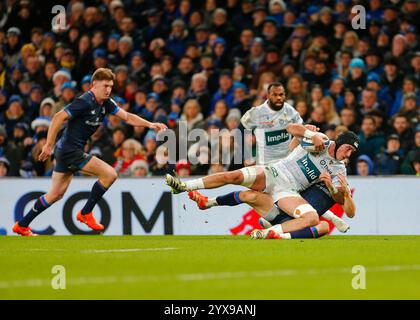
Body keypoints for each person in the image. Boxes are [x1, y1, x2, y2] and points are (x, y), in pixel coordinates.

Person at [12, 68, 167, 236]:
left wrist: (150, 125)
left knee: (55, 194)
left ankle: (22, 224)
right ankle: (85, 213)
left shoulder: (106, 102)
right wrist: (49, 144)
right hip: (69, 151)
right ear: (94, 85)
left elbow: (128, 117)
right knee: (109, 174)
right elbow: (58, 117)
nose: (108, 89)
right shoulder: (85, 101)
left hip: (66, 151)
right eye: (105, 85)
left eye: (111, 86)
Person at [166, 126, 359, 239]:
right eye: (348, 148)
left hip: (290, 190)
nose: (348, 154)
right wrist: (311, 135)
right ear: (340, 141)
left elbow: (339, 199)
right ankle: (184, 186)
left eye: (352, 152)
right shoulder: (322, 141)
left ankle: (269, 233)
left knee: (313, 219)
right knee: (232, 176)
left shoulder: (338, 169)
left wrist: (333, 187)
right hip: (274, 172)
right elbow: (291, 128)